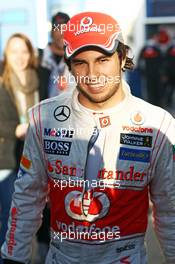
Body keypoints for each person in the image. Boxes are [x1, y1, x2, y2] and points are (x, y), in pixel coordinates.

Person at [1, 12, 175, 264]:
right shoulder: (43, 118)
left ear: (122, 57)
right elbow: (27, 196)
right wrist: (13, 257)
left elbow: (169, 207)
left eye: (103, 59)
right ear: (69, 65)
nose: (92, 73)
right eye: (80, 62)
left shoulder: (157, 123)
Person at [0, 33, 50, 263]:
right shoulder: (1, 79)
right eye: (14, 51)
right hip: (8, 157)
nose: (19, 57)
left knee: (44, 209)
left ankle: (42, 253)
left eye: (24, 51)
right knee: (13, 214)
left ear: (31, 53)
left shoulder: (42, 76)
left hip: (40, 153)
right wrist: (16, 129)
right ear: (6, 55)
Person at [39, 11, 75, 97]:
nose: (62, 33)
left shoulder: (77, 58)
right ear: (51, 32)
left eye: (66, 29)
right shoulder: (38, 58)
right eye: (58, 28)